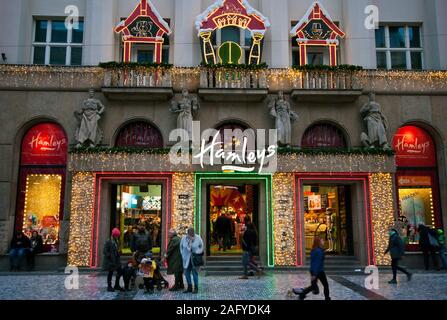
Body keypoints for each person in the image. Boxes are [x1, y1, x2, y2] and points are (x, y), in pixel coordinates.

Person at [180, 227, 204, 294]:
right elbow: (181, 247)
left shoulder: (198, 238)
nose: (191, 235)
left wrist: (197, 252)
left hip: (194, 259)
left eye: (192, 233)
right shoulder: (184, 238)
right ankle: (189, 287)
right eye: (190, 233)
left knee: (194, 273)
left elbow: (201, 247)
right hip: (186, 258)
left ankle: (196, 288)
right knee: (187, 273)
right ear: (187, 233)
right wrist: (183, 255)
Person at [103, 228, 124, 292]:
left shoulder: (116, 241)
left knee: (120, 271)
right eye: (116, 235)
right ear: (113, 235)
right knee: (110, 273)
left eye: (118, 235)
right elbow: (105, 251)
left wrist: (118, 252)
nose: (117, 236)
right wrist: (110, 256)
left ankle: (116, 285)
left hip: (116, 260)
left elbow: (116, 249)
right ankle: (109, 286)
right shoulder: (108, 241)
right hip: (110, 260)